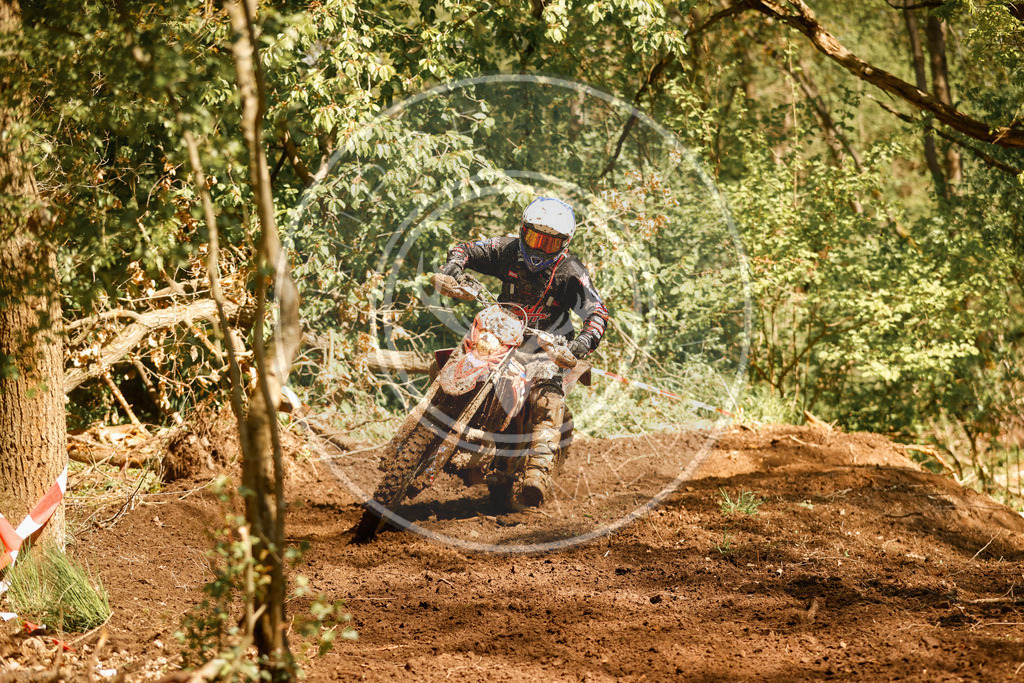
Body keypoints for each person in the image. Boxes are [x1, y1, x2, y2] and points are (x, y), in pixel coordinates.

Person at [438, 196, 609, 507]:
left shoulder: (572, 270)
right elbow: (466, 248)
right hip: (502, 334)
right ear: (523, 231)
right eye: (534, 237)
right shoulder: (506, 250)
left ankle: (538, 472)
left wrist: (581, 343)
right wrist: (454, 264)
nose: (540, 248)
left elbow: (598, 311)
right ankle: (438, 425)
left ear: (564, 243)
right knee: (459, 354)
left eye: (549, 242)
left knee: (547, 395)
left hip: (547, 346)